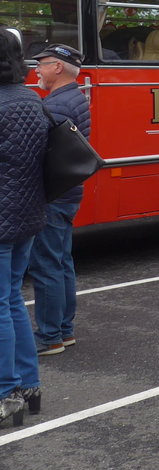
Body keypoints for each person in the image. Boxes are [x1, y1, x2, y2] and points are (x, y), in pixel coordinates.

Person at [29, 43, 91, 357]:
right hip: (68, 193)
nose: (36, 70)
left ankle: (50, 336)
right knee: (62, 263)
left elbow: (38, 154)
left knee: (46, 267)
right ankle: (64, 331)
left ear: (58, 68)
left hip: (53, 195)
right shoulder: (73, 98)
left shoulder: (56, 105)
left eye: (41, 64)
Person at [0, 29, 47, 427]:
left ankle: (5, 392)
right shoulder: (30, 99)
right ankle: (28, 386)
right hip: (27, 214)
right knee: (12, 299)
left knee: (1, 303)